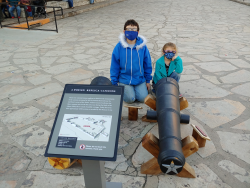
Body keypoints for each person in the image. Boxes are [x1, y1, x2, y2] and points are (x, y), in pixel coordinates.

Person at [110, 19, 152, 104]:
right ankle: (129, 91)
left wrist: (148, 81)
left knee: (143, 98)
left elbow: (147, 63)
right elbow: (114, 65)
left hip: (139, 78)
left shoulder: (143, 47)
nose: (131, 31)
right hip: (125, 79)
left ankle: (136, 90)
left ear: (138, 32)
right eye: (129, 29)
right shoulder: (119, 47)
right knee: (130, 99)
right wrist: (114, 82)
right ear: (124, 31)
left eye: (134, 29)